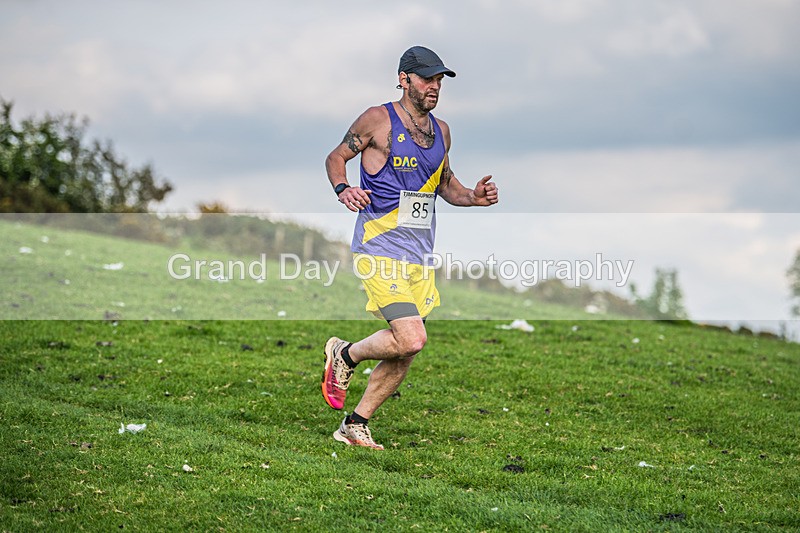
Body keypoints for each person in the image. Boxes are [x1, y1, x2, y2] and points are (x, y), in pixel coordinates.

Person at [322, 45, 499, 450]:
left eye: (439, 80)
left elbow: (445, 185)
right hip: (378, 248)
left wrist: (474, 196)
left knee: (405, 350)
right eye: (427, 79)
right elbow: (336, 156)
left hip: (419, 258)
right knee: (412, 337)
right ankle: (345, 355)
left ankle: (356, 423)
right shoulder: (377, 120)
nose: (434, 87)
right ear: (404, 79)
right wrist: (343, 188)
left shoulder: (443, 132)